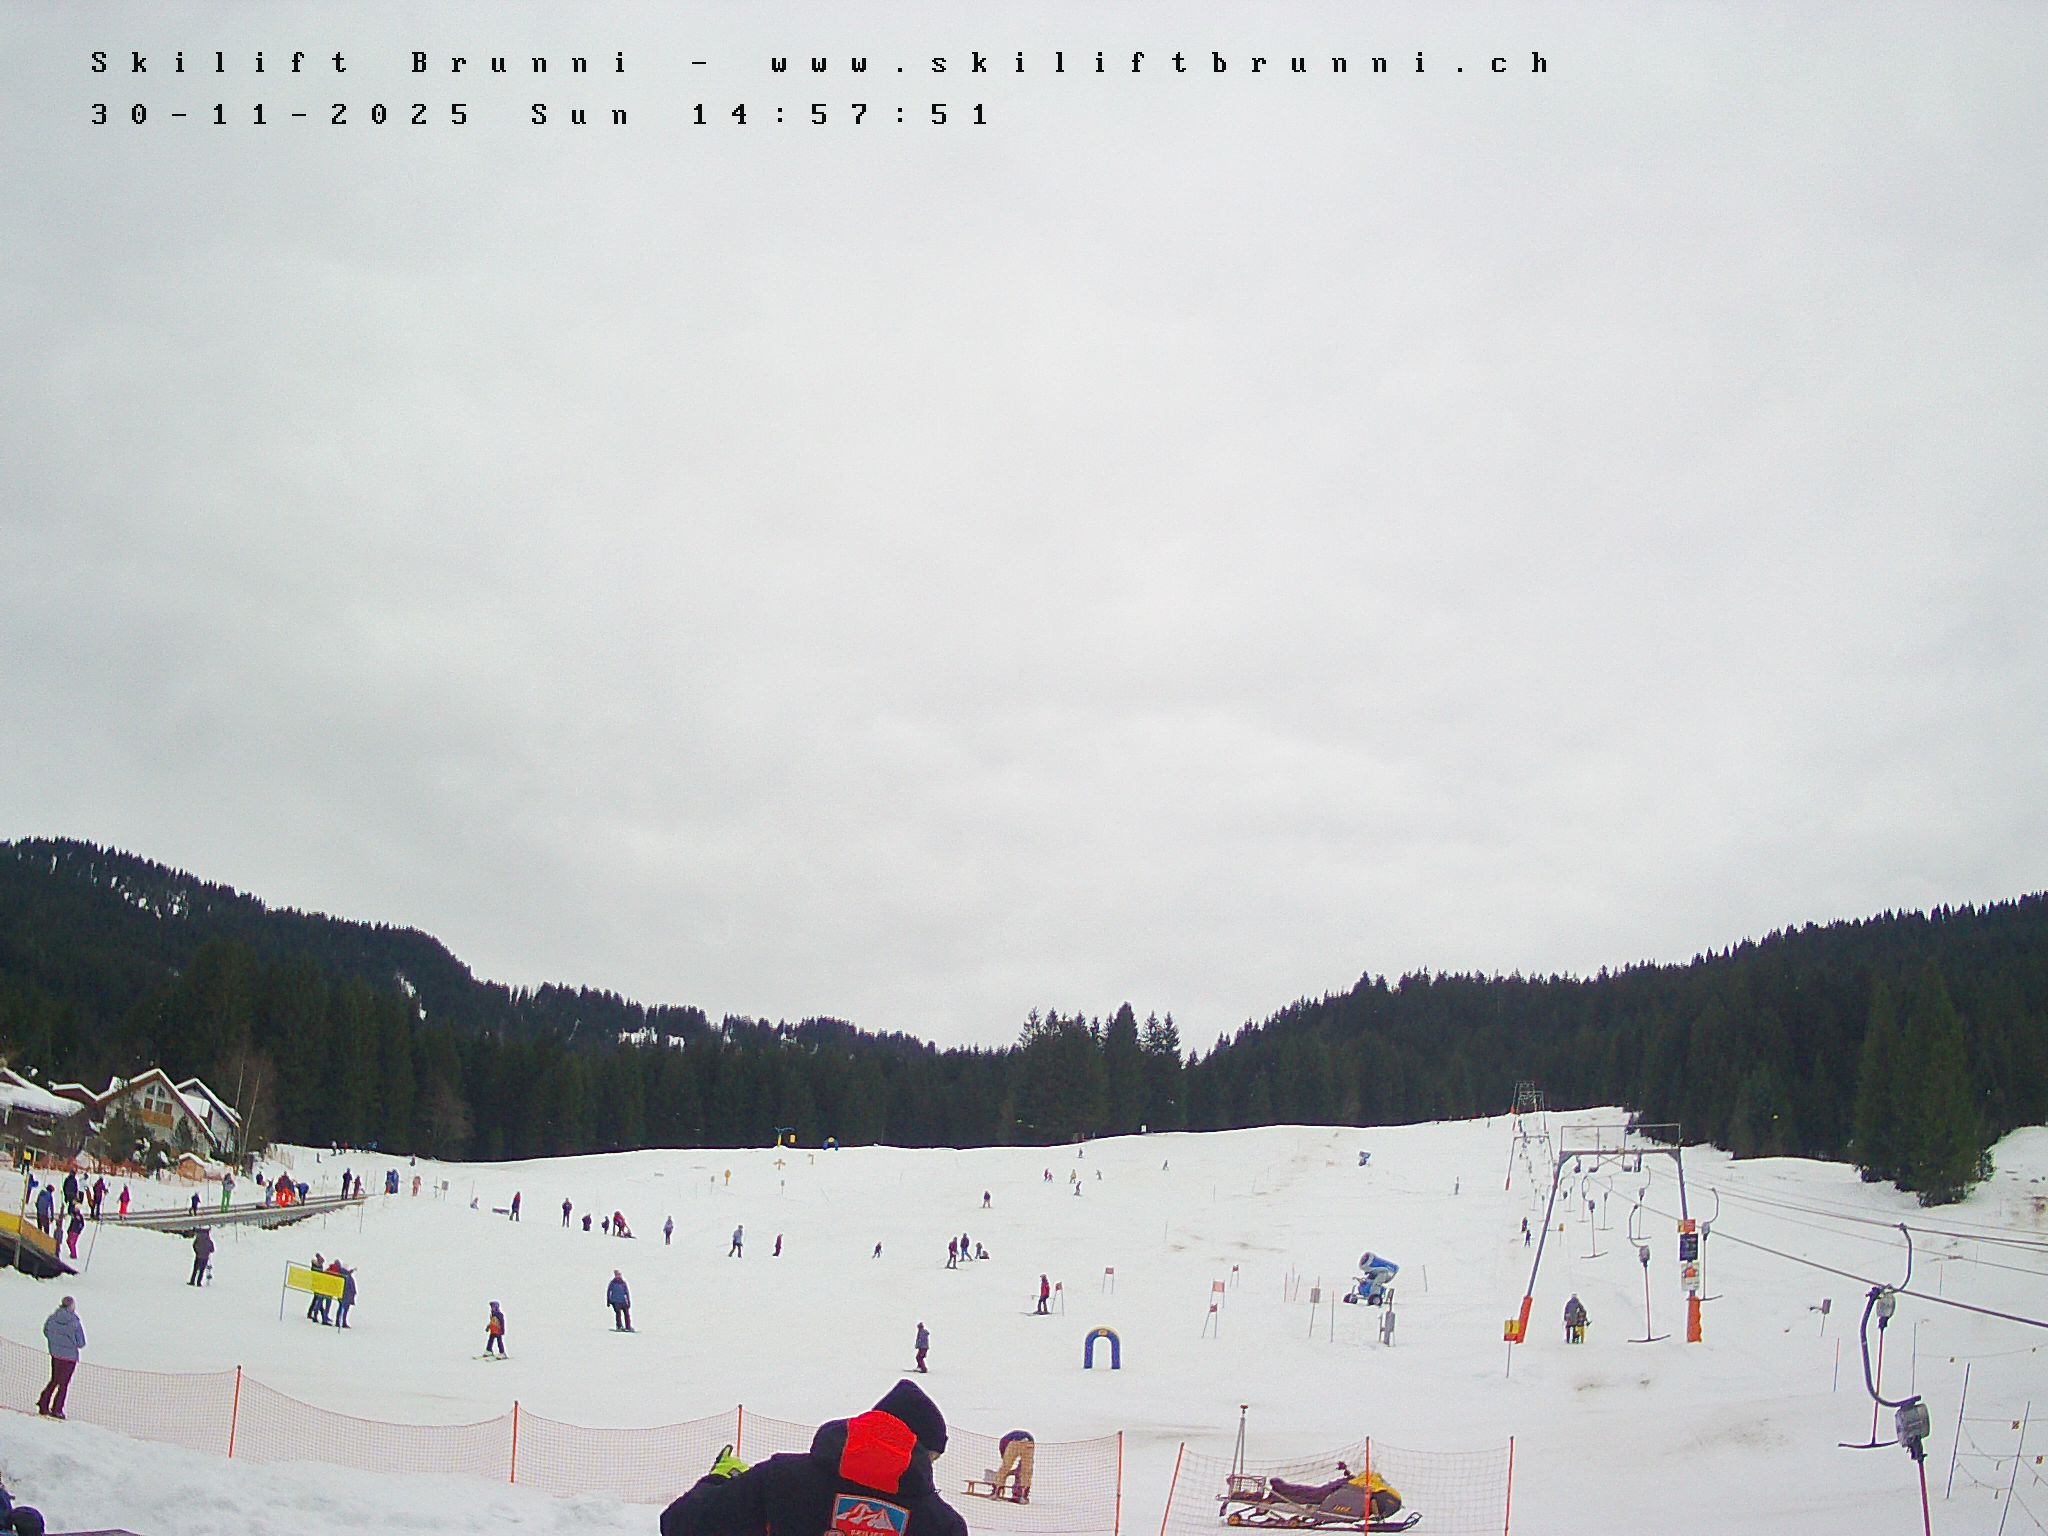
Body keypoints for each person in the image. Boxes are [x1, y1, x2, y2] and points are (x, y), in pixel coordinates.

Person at [660, 1378, 965, 1536]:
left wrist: (722, 1479)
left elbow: (680, 1525)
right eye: (931, 1457)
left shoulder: (780, 1480)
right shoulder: (941, 1524)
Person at [37, 1297, 85, 1419]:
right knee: (64, 1384)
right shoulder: (74, 1322)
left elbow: (46, 1331)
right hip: (69, 1358)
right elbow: (81, 1342)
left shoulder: (52, 1318)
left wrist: (55, 1343)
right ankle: (57, 1409)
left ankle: (43, 1403)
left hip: (56, 1354)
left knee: (54, 1379)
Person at [996, 1430, 1035, 1502]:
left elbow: (1005, 1459)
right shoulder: (1009, 1436)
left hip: (1015, 1442)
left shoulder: (1003, 1442)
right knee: (1026, 1471)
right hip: (1030, 1442)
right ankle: (1023, 1495)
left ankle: (996, 1491)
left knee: (1005, 1467)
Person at [335, 1263, 357, 1328]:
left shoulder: (345, 1275)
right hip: (346, 1295)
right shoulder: (346, 1276)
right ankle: (341, 1322)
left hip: (345, 1295)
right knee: (343, 1309)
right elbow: (347, 1286)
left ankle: (339, 1321)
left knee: (342, 1309)